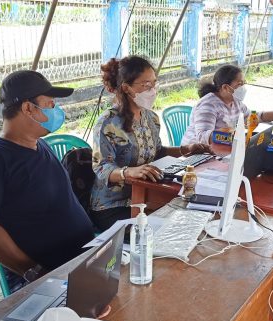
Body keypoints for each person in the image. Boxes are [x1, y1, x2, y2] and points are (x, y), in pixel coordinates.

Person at [0, 70, 95, 294]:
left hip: (80, 259)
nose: (56, 110)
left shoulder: (40, 144)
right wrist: (32, 270)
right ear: (28, 108)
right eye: (50, 104)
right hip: (45, 277)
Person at [90, 55, 212, 231]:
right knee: (163, 231)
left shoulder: (151, 118)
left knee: (189, 216)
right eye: (146, 85)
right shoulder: (108, 123)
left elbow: (158, 152)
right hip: (112, 205)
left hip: (146, 195)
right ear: (126, 87)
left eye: (154, 83)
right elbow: (101, 168)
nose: (153, 90)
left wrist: (186, 149)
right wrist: (129, 172)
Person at [181, 64, 273, 146]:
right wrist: (232, 137)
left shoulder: (236, 103)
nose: (243, 87)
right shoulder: (208, 105)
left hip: (220, 149)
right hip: (196, 153)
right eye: (239, 84)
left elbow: (253, 118)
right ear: (225, 87)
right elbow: (203, 137)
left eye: (244, 83)